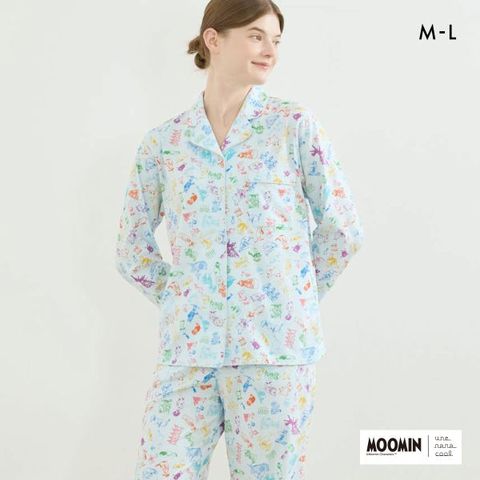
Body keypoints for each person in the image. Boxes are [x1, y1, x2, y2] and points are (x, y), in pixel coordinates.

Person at [114, 0, 365, 478]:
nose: (270, 50)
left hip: (274, 355)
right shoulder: (164, 144)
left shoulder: (292, 126)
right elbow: (131, 249)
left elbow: (343, 230)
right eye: (255, 36)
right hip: (188, 355)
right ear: (214, 39)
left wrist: (290, 298)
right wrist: (183, 296)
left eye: (276, 40)